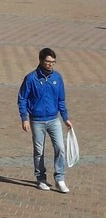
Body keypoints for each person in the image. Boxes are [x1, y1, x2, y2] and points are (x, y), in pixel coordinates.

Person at [18, 48, 73, 193]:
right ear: (41, 61)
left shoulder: (57, 78)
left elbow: (61, 99)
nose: (50, 65)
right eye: (48, 62)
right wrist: (24, 118)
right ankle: (41, 178)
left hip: (54, 119)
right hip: (37, 120)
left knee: (60, 148)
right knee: (39, 150)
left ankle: (59, 178)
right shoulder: (31, 78)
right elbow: (22, 98)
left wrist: (65, 118)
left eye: (53, 62)